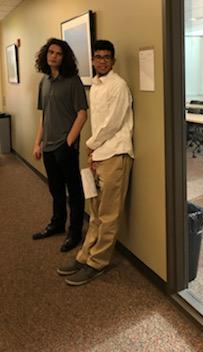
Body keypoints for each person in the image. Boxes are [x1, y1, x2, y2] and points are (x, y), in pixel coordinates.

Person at [57, 40, 134, 286]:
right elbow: (98, 122)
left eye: (107, 57)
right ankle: (84, 255)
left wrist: (90, 145)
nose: (102, 60)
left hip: (115, 154)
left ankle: (97, 262)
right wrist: (92, 153)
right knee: (96, 212)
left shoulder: (118, 85)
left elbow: (112, 123)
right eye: (98, 56)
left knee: (109, 214)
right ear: (92, 60)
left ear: (113, 60)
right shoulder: (96, 86)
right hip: (99, 154)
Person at [32, 38, 88, 252]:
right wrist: (38, 142)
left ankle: (75, 232)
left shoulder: (72, 81)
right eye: (51, 52)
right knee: (55, 190)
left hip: (66, 147)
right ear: (45, 55)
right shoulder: (44, 82)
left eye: (58, 53)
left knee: (73, 191)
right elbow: (45, 116)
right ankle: (57, 224)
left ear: (65, 58)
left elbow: (82, 114)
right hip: (47, 146)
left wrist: (68, 142)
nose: (53, 56)